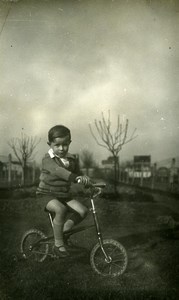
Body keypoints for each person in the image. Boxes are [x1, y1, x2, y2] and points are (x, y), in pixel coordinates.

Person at [36, 125, 91, 257]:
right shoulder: (47, 160)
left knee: (83, 211)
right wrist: (74, 177)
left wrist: (90, 184)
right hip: (46, 194)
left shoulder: (72, 159)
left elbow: (80, 175)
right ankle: (58, 244)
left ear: (69, 143)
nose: (61, 148)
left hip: (63, 195)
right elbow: (59, 171)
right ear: (50, 144)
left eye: (65, 144)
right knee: (61, 209)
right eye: (57, 145)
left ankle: (63, 230)